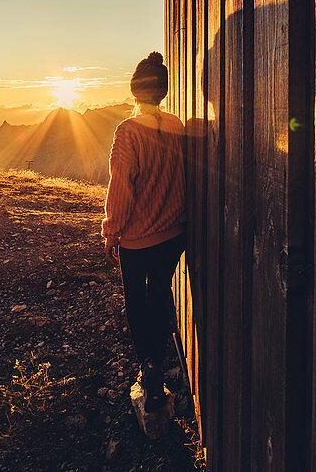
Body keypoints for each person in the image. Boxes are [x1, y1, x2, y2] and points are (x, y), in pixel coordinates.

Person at [102, 51, 186, 413]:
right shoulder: (177, 125)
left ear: (134, 91)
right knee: (161, 293)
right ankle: (159, 361)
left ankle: (149, 365)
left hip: (138, 238)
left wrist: (111, 231)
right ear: (163, 93)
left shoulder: (127, 132)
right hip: (174, 233)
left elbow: (121, 188)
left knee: (137, 299)